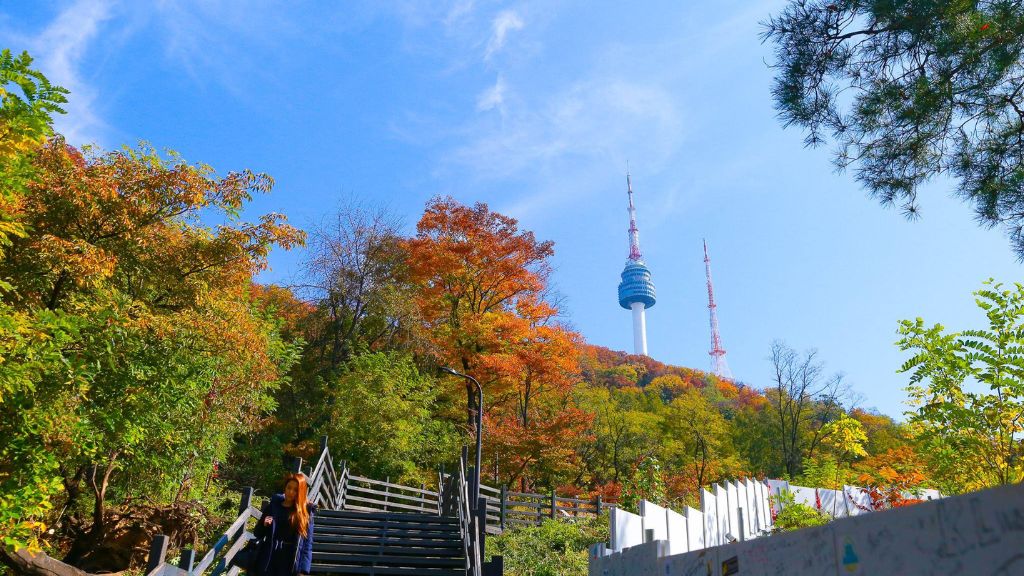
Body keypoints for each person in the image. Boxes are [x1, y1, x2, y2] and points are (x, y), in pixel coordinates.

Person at [253, 473, 315, 576]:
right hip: (268, 557)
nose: (291, 492)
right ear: (284, 488)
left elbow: (307, 544)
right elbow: (257, 533)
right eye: (289, 488)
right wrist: (264, 525)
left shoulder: (305, 514)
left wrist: (303, 570)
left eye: (295, 490)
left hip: (290, 560)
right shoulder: (272, 507)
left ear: (301, 492)